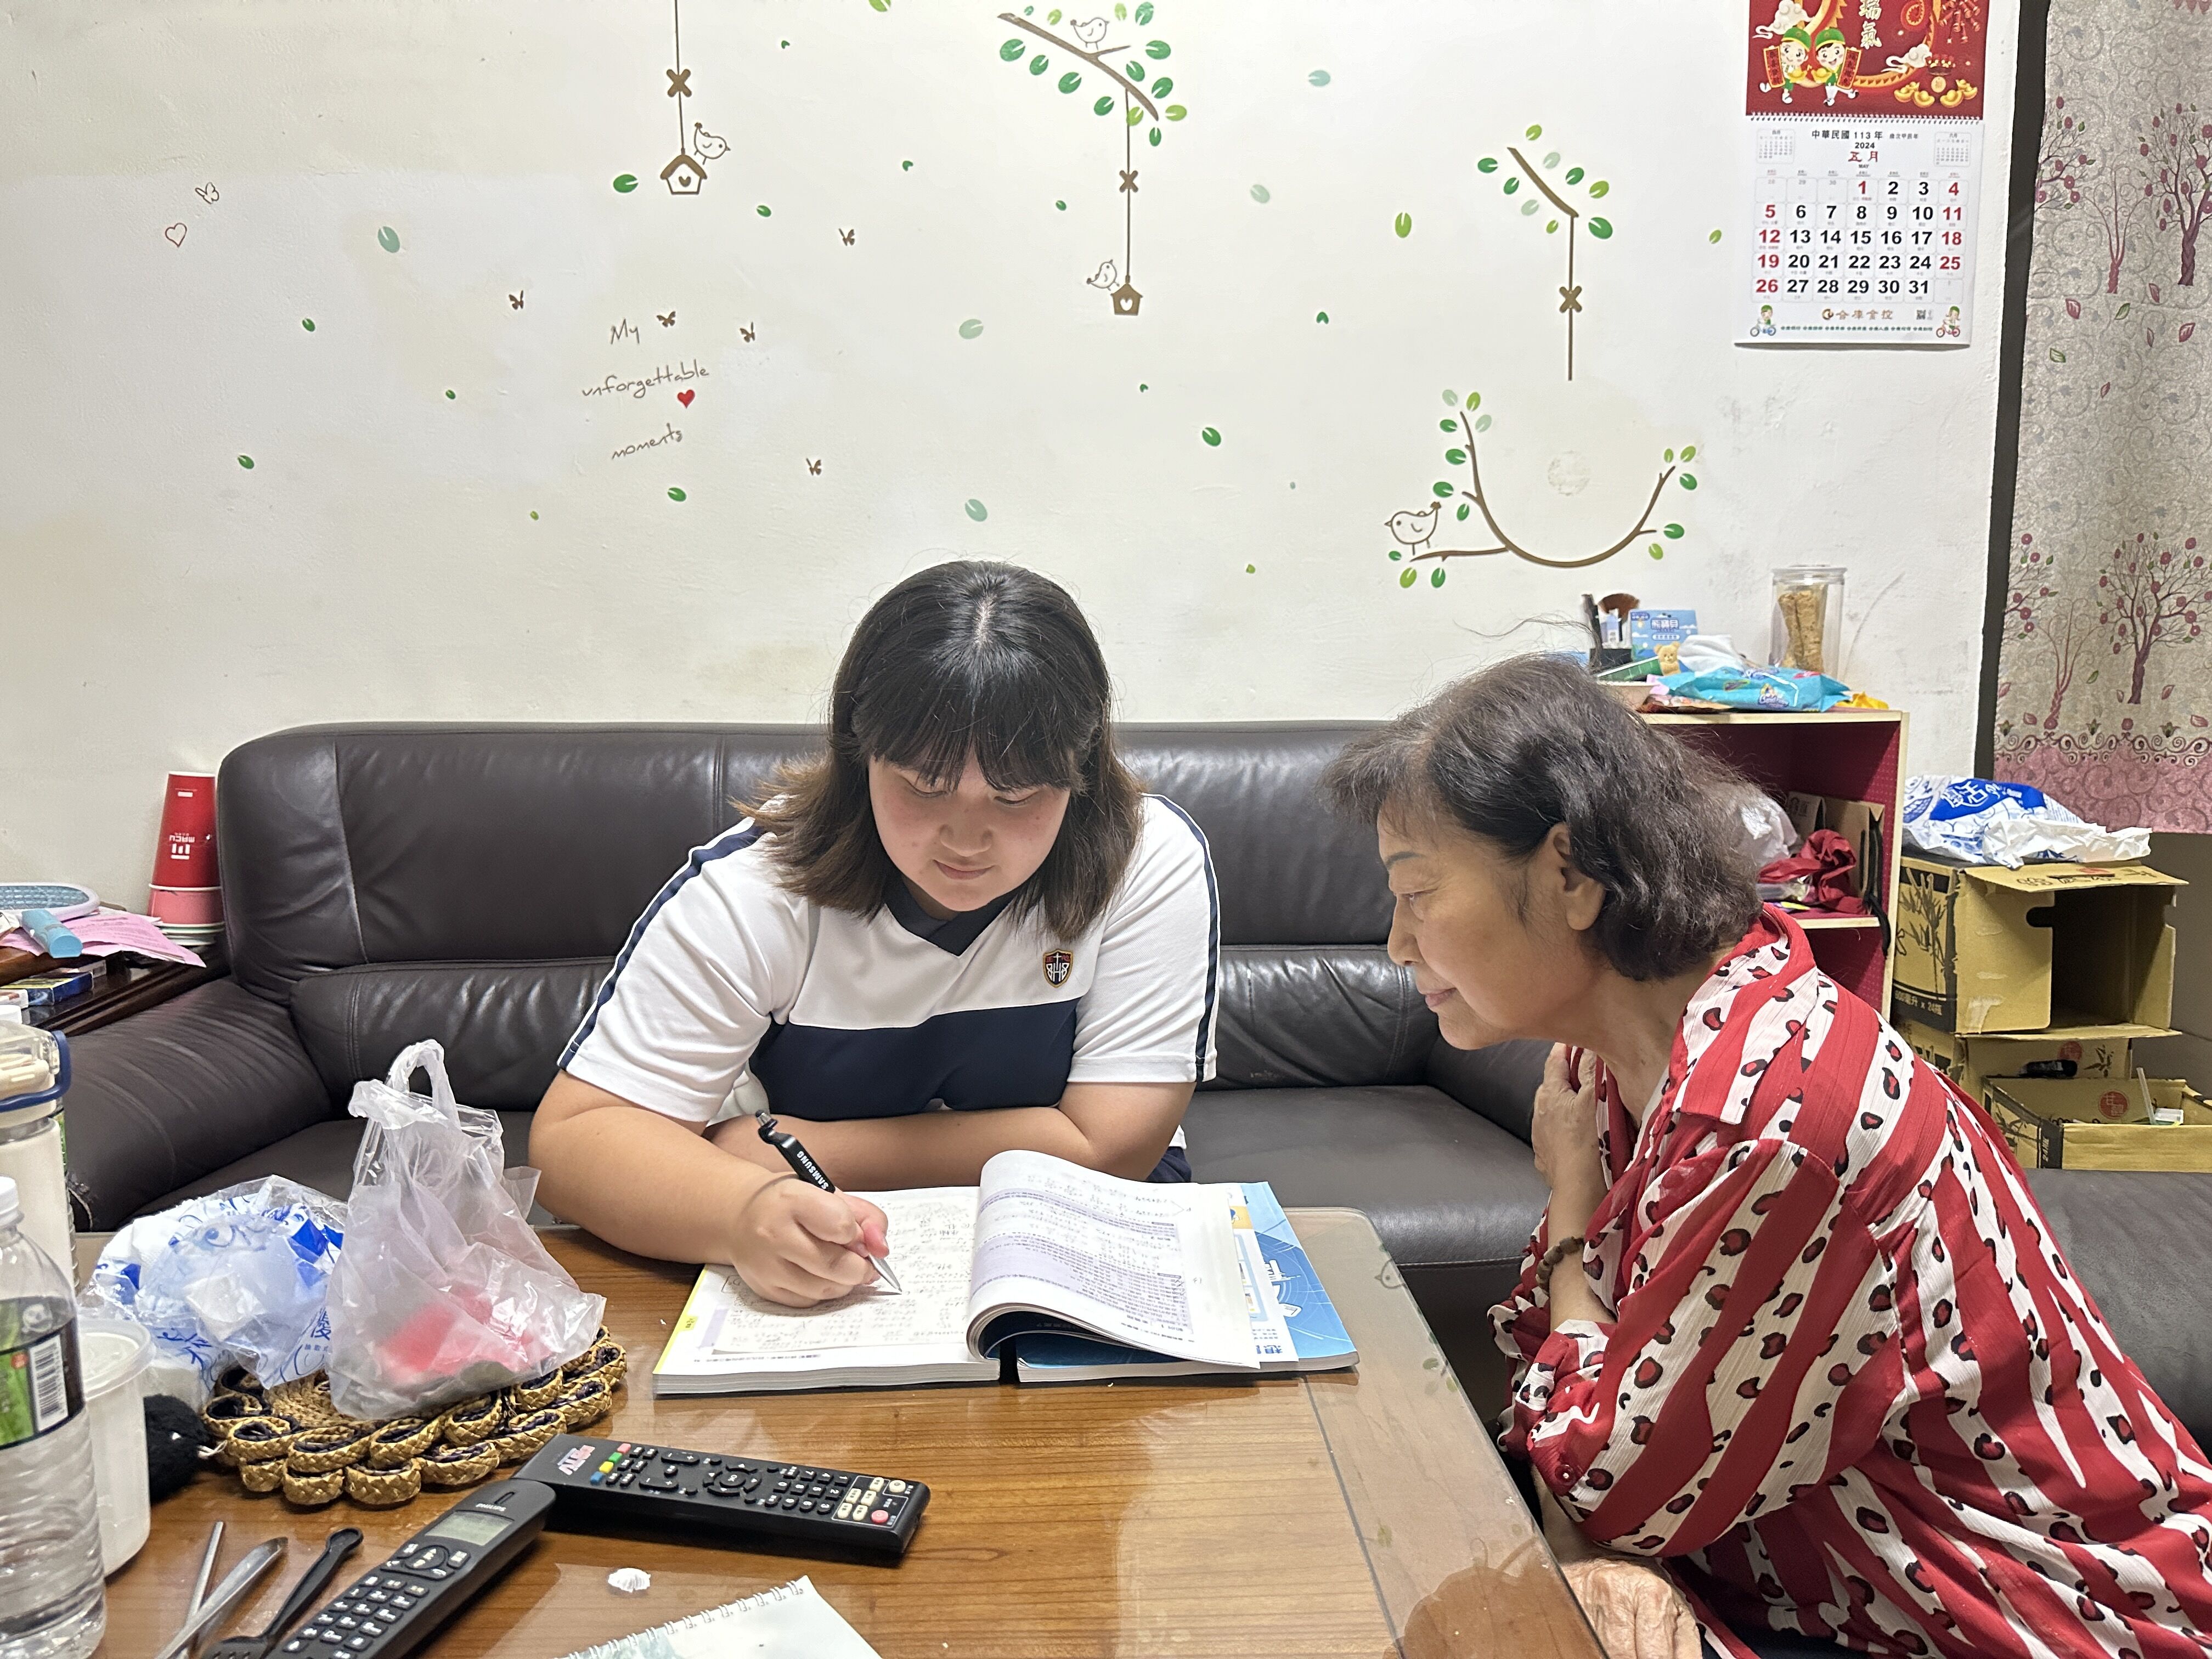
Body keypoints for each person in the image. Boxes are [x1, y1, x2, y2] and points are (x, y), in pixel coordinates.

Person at [1326, 654, 2212, 1659]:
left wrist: (1570, 1213)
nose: (1397, 945)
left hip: (2020, 1616)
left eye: (1417, 892)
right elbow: (1563, 1385)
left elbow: (1606, 1479)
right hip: (1799, 1571)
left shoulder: (1768, 1115)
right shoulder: (1641, 1051)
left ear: (1567, 874)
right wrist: (1598, 1520)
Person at [533, 561, 1219, 1308]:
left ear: (1079, 772)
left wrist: (790, 1152)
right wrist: (740, 1213)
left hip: (1087, 1245)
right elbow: (578, 1140)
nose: (966, 839)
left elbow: (1111, 1148)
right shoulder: (757, 892)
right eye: (924, 787)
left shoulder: (1146, 861)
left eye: (1015, 796)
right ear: (861, 753)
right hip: (832, 1265)